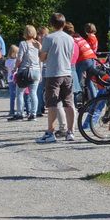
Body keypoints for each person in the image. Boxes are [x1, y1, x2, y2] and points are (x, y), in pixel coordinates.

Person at [36, 14, 77, 143]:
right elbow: (70, 56)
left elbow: (42, 58)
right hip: (67, 73)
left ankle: (50, 132)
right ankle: (70, 132)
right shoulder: (70, 39)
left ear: (51, 25)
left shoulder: (48, 38)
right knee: (69, 103)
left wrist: (39, 49)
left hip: (53, 73)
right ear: (63, 24)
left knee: (52, 103)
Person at [14, 25, 41, 121]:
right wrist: (40, 72)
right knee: (33, 93)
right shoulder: (37, 44)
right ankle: (33, 113)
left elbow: (19, 58)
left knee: (20, 93)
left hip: (25, 70)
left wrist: (15, 68)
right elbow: (40, 59)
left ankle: (20, 113)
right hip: (36, 70)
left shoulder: (23, 44)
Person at [74, 22, 101, 101]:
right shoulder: (95, 38)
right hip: (93, 58)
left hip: (86, 58)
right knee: (90, 81)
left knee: (85, 82)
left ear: (86, 31)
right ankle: (95, 100)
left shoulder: (89, 39)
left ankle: (90, 99)